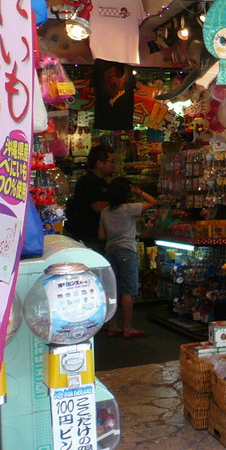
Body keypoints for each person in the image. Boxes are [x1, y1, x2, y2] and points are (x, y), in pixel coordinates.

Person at [99, 178, 158, 339]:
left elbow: (101, 235)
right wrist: (140, 192)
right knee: (128, 291)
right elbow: (154, 203)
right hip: (127, 250)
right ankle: (127, 328)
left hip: (110, 251)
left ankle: (112, 326)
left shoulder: (105, 211)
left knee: (113, 290)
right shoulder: (130, 208)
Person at [64, 145, 116, 248]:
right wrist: (118, 203)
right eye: (111, 162)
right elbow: (98, 207)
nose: (113, 165)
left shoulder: (102, 182)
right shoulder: (88, 181)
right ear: (99, 163)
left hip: (98, 237)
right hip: (89, 239)